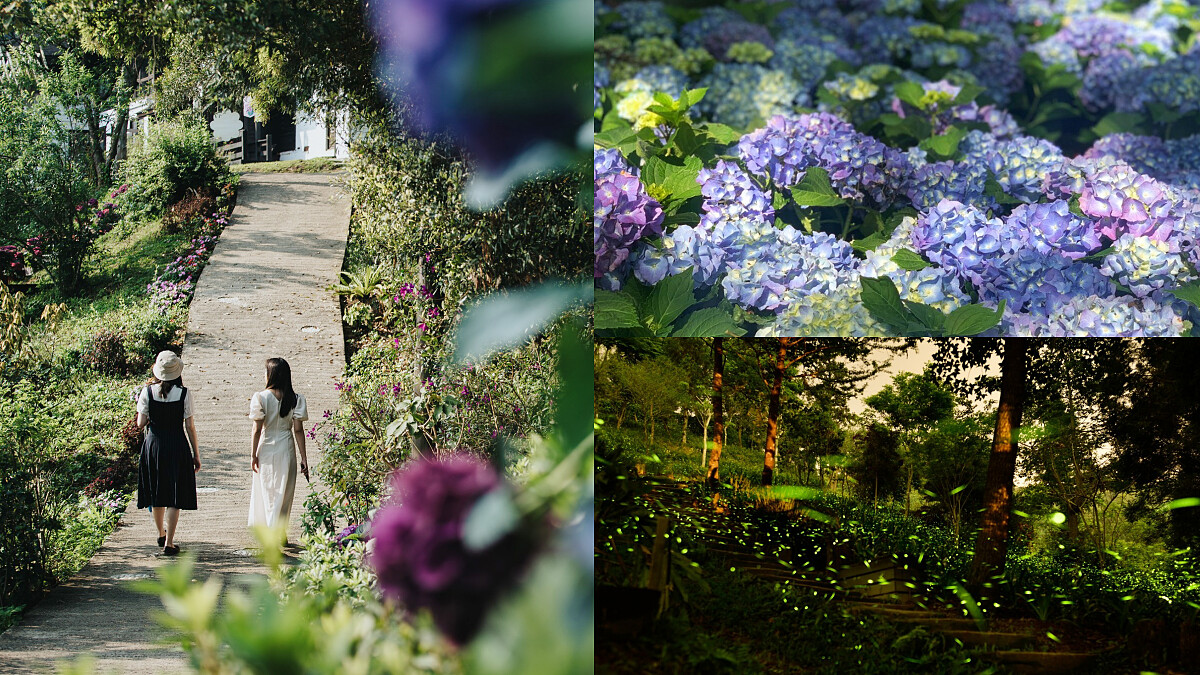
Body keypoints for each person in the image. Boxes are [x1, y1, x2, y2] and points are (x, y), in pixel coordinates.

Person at [136, 350, 200, 556]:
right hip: (176, 444)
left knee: (157, 492)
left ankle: (161, 533)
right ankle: (170, 543)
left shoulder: (147, 392)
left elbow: (140, 423)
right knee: (174, 494)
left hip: (153, 445)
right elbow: (190, 426)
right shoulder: (184, 394)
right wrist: (195, 454)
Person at [248, 357, 309, 541]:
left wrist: (253, 455)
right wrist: (304, 457)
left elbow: (257, 429)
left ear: (270, 375)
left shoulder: (260, 398)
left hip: (266, 448)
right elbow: (298, 430)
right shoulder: (296, 399)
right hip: (286, 447)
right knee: (285, 492)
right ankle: (279, 531)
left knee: (268, 492)